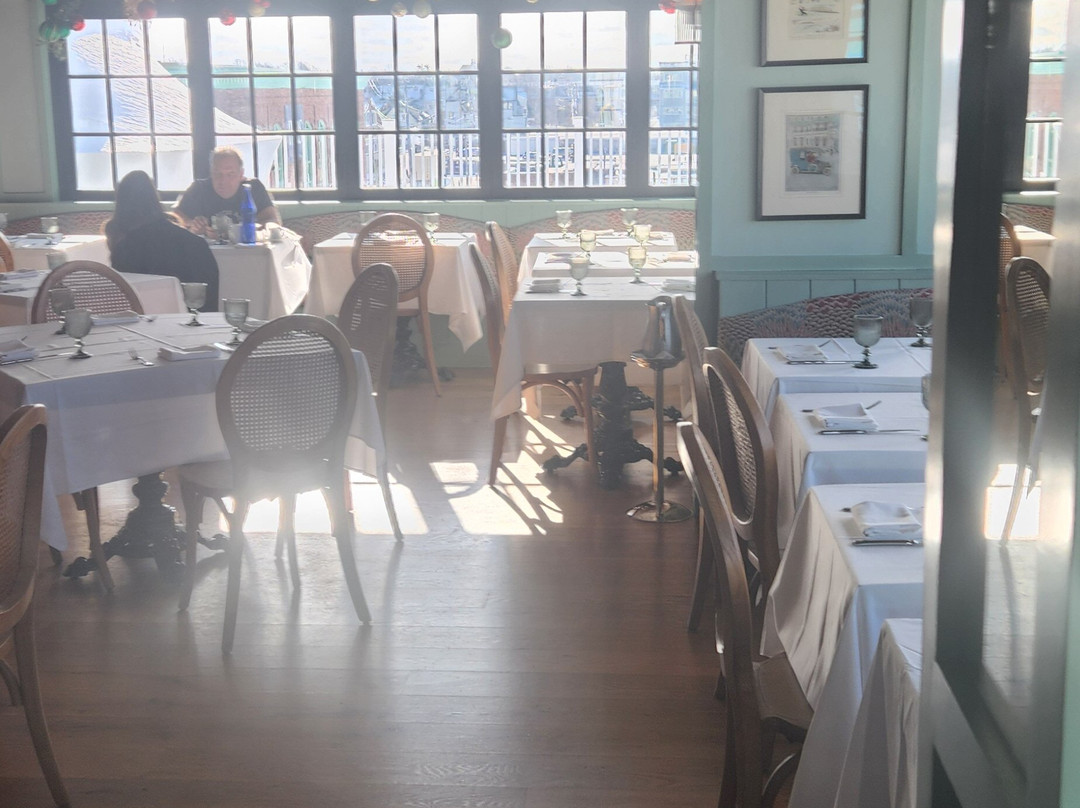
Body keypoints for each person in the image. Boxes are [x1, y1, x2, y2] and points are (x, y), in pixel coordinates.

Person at [106, 170, 220, 311]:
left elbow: (123, 299)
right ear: (155, 198)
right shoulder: (196, 244)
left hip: (144, 318)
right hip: (195, 317)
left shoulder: (124, 248)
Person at [175, 146, 281, 236]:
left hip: (248, 250)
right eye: (218, 174)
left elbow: (273, 222)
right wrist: (193, 226)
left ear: (241, 174)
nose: (223, 181)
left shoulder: (253, 188)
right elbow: (175, 221)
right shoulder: (199, 189)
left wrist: (250, 230)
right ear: (211, 173)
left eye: (230, 174)